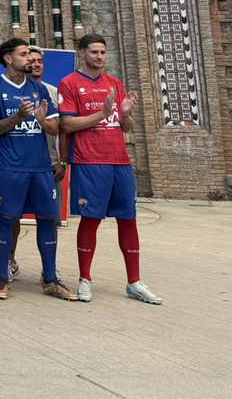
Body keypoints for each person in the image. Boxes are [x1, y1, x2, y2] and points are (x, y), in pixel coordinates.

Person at [58, 35, 161, 304]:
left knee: (128, 219)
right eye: (94, 52)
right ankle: (84, 279)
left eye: (103, 52)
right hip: (89, 161)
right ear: (82, 53)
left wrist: (125, 113)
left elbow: (125, 128)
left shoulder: (114, 84)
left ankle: (134, 282)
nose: (100, 57)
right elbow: (67, 125)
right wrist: (102, 114)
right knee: (91, 220)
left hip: (120, 161)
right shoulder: (69, 83)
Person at [0, 38, 76, 301]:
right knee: (7, 219)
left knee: (47, 219)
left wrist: (43, 121)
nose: (30, 60)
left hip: (40, 167)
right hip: (9, 167)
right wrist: (18, 118)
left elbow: (56, 129)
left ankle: (50, 278)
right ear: (8, 59)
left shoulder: (40, 90)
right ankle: (1, 277)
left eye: (31, 56)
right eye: (24, 55)